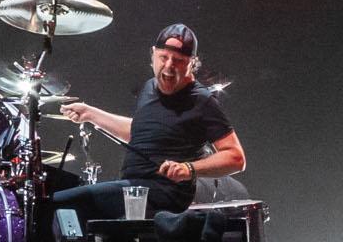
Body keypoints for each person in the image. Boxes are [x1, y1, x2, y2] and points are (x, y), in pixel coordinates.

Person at [61, 23, 242, 214]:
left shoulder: (201, 101)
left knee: (64, 203)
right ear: (153, 54)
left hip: (165, 193)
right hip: (135, 187)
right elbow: (141, 133)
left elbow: (235, 157)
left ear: (192, 63)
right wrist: (90, 114)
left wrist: (188, 169)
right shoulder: (149, 88)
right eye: (164, 57)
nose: (169, 66)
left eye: (178, 60)